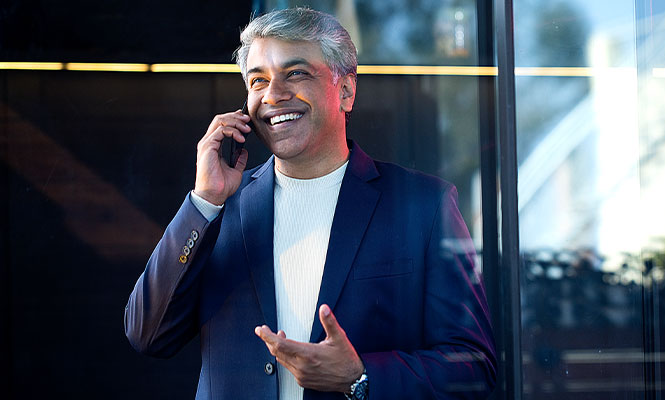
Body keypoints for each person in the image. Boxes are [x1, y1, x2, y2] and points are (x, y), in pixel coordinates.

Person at [124, 7, 497, 400]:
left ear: (346, 90)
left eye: (296, 73)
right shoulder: (219, 208)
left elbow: (474, 367)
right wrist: (203, 203)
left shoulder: (423, 206)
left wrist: (360, 376)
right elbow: (149, 334)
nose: (273, 94)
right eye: (258, 80)